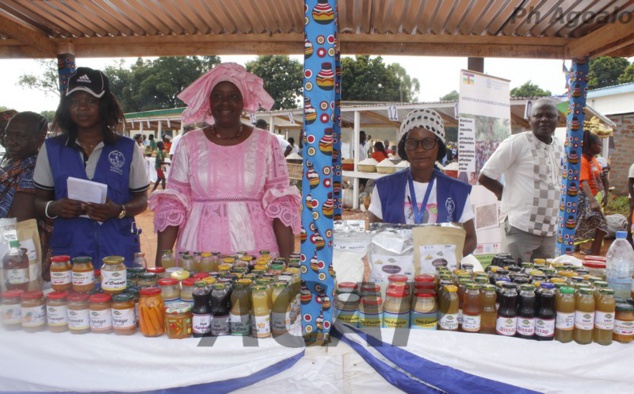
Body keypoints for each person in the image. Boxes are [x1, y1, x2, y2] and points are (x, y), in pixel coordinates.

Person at [149, 63, 300, 265]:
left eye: (233, 96)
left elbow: (280, 203)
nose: (225, 103)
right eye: (218, 96)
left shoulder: (267, 143)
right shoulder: (189, 143)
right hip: (198, 253)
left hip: (255, 256)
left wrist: (288, 264)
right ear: (208, 102)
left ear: (244, 101)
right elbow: (173, 204)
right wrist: (161, 264)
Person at [33, 67, 149, 269]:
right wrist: (54, 207)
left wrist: (119, 210)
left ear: (104, 105)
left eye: (91, 101)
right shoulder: (51, 149)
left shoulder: (128, 148)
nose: (82, 108)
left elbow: (142, 199)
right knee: (73, 300)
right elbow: (39, 200)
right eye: (75, 101)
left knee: (122, 299)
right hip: (70, 253)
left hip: (118, 251)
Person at [369, 108, 476, 257]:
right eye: (412, 143)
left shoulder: (457, 191)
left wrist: (443, 260)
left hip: (439, 275)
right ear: (405, 148)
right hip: (396, 275)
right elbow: (373, 236)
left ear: (439, 146)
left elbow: (470, 239)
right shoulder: (384, 188)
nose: (420, 149)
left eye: (427, 142)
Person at [479, 98, 564, 262]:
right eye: (538, 115)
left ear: (558, 120)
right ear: (529, 119)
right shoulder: (517, 142)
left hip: (551, 231)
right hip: (520, 227)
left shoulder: (562, 146)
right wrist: (505, 195)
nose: (544, 119)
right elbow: (485, 176)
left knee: (544, 282)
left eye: (550, 115)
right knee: (514, 280)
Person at [1, 111, 52, 279]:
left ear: (39, 139)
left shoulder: (33, 171)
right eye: (8, 134)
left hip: (17, 253)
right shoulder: (11, 164)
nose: (11, 141)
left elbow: (19, 225)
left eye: (19, 136)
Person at [574, 131, 608, 255]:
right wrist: (592, 201)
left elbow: (601, 177)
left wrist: (604, 194)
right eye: (598, 145)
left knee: (600, 225)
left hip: (592, 196)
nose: (600, 148)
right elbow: (584, 182)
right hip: (583, 197)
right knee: (601, 224)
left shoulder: (593, 159)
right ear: (591, 145)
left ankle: (593, 252)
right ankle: (592, 252)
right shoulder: (582, 160)